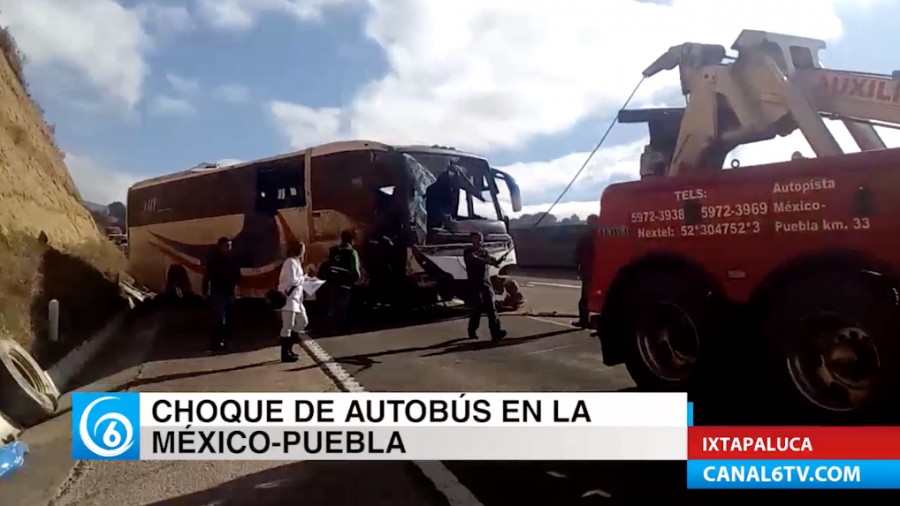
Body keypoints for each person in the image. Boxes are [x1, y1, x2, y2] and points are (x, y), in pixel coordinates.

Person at [463, 232, 507, 341]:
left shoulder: (484, 252)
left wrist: (499, 260)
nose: (480, 242)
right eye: (477, 239)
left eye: (481, 239)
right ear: (472, 240)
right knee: (477, 309)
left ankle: (496, 332)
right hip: (474, 284)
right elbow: (475, 260)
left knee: (491, 308)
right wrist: (487, 261)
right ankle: (472, 330)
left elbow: (492, 261)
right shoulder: (468, 252)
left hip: (486, 283)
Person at [202, 237, 242, 351]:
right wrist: (205, 290)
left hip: (229, 291)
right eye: (226, 246)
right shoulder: (214, 259)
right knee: (219, 316)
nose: (229, 248)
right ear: (220, 246)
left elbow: (237, 273)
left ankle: (226, 338)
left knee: (229, 315)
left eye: (230, 245)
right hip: (218, 290)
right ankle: (217, 340)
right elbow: (207, 275)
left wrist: (238, 285)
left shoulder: (233, 258)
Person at [324, 230, 361, 334]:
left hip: (332, 283)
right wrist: (355, 282)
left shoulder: (333, 250)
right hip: (345, 285)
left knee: (333, 306)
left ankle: (330, 328)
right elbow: (356, 272)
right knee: (343, 308)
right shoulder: (352, 252)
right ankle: (342, 329)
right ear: (351, 240)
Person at [277, 242, 308, 363]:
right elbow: (292, 280)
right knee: (287, 325)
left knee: (303, 321)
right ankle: (285, 353)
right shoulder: (289, 262)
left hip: (297, 299)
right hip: (289, 299)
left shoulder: (296, 262)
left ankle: (289, 348)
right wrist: (303, 278)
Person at [573, 214, 600, 327]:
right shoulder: (603, 236)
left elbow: (579, 254)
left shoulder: (586, 237)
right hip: (599, 269)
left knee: (585, 297)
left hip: (589, 269)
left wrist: (577, 265)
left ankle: (584, 320)